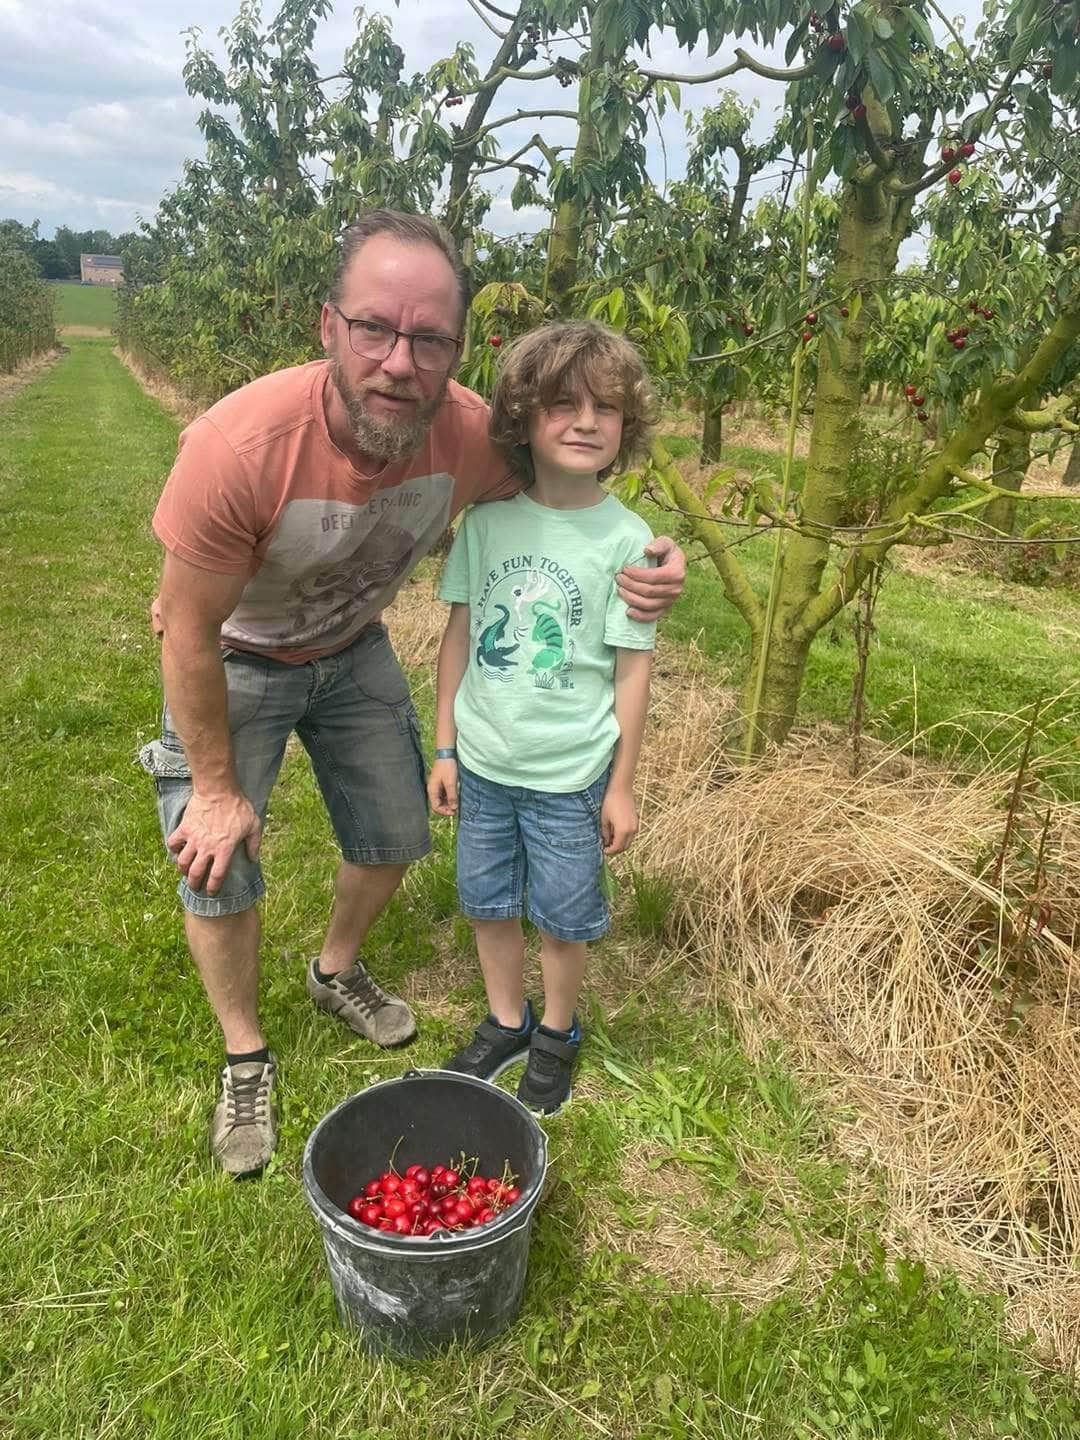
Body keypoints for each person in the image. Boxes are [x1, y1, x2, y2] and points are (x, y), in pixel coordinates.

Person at [141, 209, 685, 1177]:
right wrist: (219, 790)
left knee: (394, 838)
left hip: (351, 651)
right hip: (236, 654)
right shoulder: (239, 447)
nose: (400, 360)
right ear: (328, 327)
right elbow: (185, 626)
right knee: (215, 857)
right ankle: (244, 1052)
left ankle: (336, 970)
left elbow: (577, 486)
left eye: (429, 338)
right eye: (374, 329)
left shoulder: (475, 435)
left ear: (456, 349)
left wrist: (657, 560)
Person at [427, 320, 657, 1115]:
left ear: (628, 427)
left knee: (564, 916)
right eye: (563, 403)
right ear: (523, 417)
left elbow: (633, 668)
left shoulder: (627, 540)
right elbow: (458, 639)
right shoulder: (487, 525)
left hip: (568, 773)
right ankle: (506, 1019)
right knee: (487, 901)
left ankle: (557, 1031)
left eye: (606, 408)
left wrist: (620, 786)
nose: (586, 422)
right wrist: (445, 747)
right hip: (486, 763)